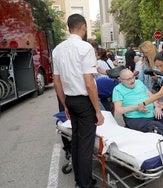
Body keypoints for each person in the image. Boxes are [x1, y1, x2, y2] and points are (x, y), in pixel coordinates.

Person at [52, 14, 104, 188]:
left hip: (71, 100)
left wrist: (65, 104)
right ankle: (85, 183)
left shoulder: (57, 49)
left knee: (76, 142)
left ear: (68, 28)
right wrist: (97, 110)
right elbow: (89, 83)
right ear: (83, 27)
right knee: (85, 145)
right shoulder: (85, 48)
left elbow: (56, 81)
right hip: (83, 102)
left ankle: (79, 180)